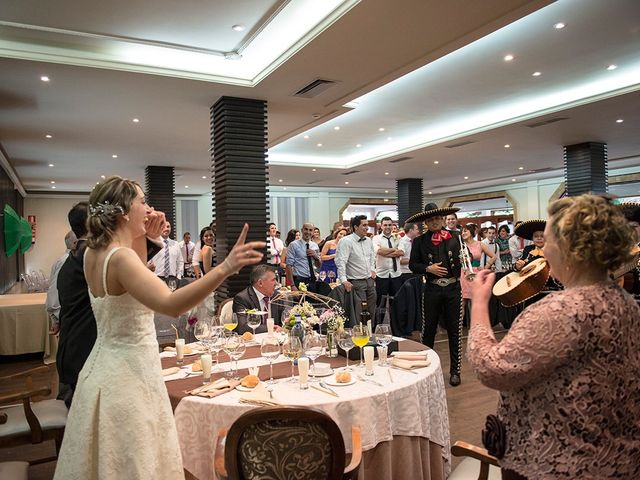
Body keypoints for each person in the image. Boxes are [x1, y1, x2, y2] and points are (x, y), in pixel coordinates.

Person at [54, 176, 264, 480]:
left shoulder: (92, 253)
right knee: (137, 461)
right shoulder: (121, 257)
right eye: (143, 202)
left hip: (103, 368)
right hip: (129, 376)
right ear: (125, 211)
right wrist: (226, 268)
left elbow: (131, 281)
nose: (151, 209)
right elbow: (171, 304)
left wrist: (145, 239)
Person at [468, 194, 640, 479]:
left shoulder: (559, 311)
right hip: (618, 459)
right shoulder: (625, 303)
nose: (543, 250)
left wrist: (479, 304)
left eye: (547, 241)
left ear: (572, 249)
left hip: (559, 464)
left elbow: (492, 369)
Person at [55, 202, 164, 407]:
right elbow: (119, 266)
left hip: (72, 347)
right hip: (86, 351)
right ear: (92, 223)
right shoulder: (93, 254)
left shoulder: (72, 257)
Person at [408, 203, 464, 386]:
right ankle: (426, 371)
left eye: (437, 219)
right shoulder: (419, 241)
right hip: (431, 288)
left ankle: (455, 371)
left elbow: (465, 258)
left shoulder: (456, 236)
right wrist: (427, 268)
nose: (435, 222)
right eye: (431, 219)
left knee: (455, 331)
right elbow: (412, 265)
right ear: (426, 222)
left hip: (453, 289)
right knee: (429, 330)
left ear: (442, 220)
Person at [335, 215, 377, 324]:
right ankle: (359, 336)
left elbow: (372, 257)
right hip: (356, 283)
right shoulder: (346, 241)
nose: (367, 228)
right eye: (364, 225)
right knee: (359, 313)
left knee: (372, 311)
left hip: (370, 281)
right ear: (355, 227)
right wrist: (344, 280)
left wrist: (373, 270)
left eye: (367, 225)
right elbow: (341, 261)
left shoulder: (368, 240)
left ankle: (370, 333)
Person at [232, 264, 282, 334]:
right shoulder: (242, 299)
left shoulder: (276, 296)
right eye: (273, 280)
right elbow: (242, 327)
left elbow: (283, 320)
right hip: (252, 341)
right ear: (260, 283)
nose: (276, 283)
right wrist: (269, 327)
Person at [46, 230, 77, 334]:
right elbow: (54, 291)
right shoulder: (67, 261)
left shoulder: (66, 260)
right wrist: (57, 318)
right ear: (75, 243)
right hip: (67, 319)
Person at [372, 216, 404, 308]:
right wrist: (394, 249)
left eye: (390, 225)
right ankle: (379, 322)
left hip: (396, 275)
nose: (387, 227)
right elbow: (379, 251)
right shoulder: (376, 238)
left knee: (396, 304)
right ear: (381, 226)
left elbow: (401, 252)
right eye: (385, 225)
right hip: (381, 275)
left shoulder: (398, 238)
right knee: (380, 304)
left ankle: (395, 322)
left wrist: (385, 252)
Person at [285, 223, 321, 291]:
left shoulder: (315, 246)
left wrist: (316, 257)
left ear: (313, 232)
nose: (308, 232)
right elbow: (288, 266)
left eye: (310, 230)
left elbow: (318, 266)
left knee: (312, 301)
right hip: (299, 280)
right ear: (302, 230)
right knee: (300, 301)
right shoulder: (293, 245)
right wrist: (292, 285)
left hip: (312, 280)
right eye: (306, 229)